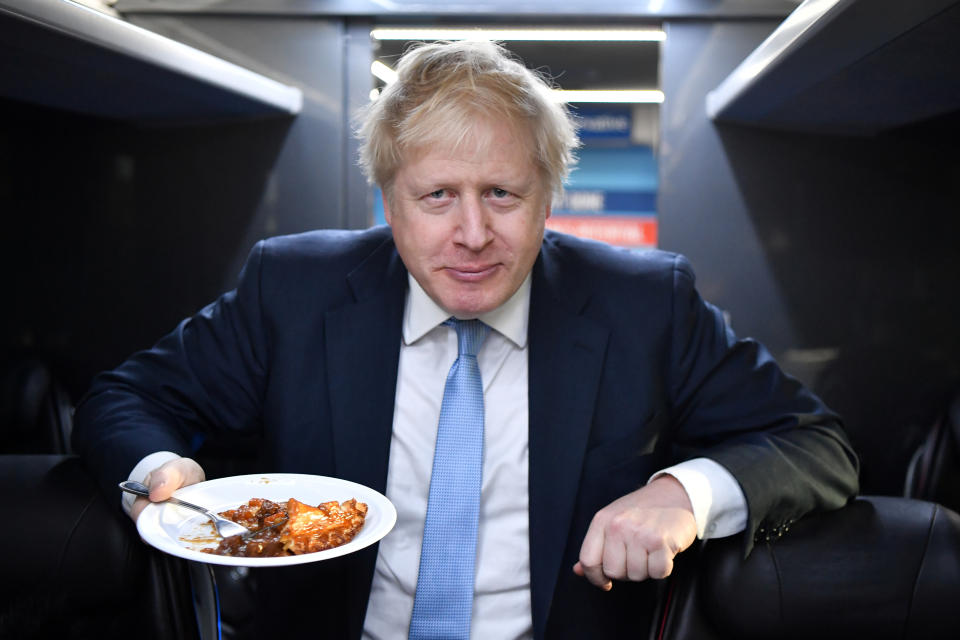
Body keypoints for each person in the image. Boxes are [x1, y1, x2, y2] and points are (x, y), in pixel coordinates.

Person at [72, 41, 858, 639]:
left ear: (549, 197)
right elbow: (125, 397)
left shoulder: (646, 302)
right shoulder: (293, 289)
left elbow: (815, 443)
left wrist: (681, 495)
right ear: (389, 198)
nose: (472, 234)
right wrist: (160, 469)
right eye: (438, 195)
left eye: (503, 195)